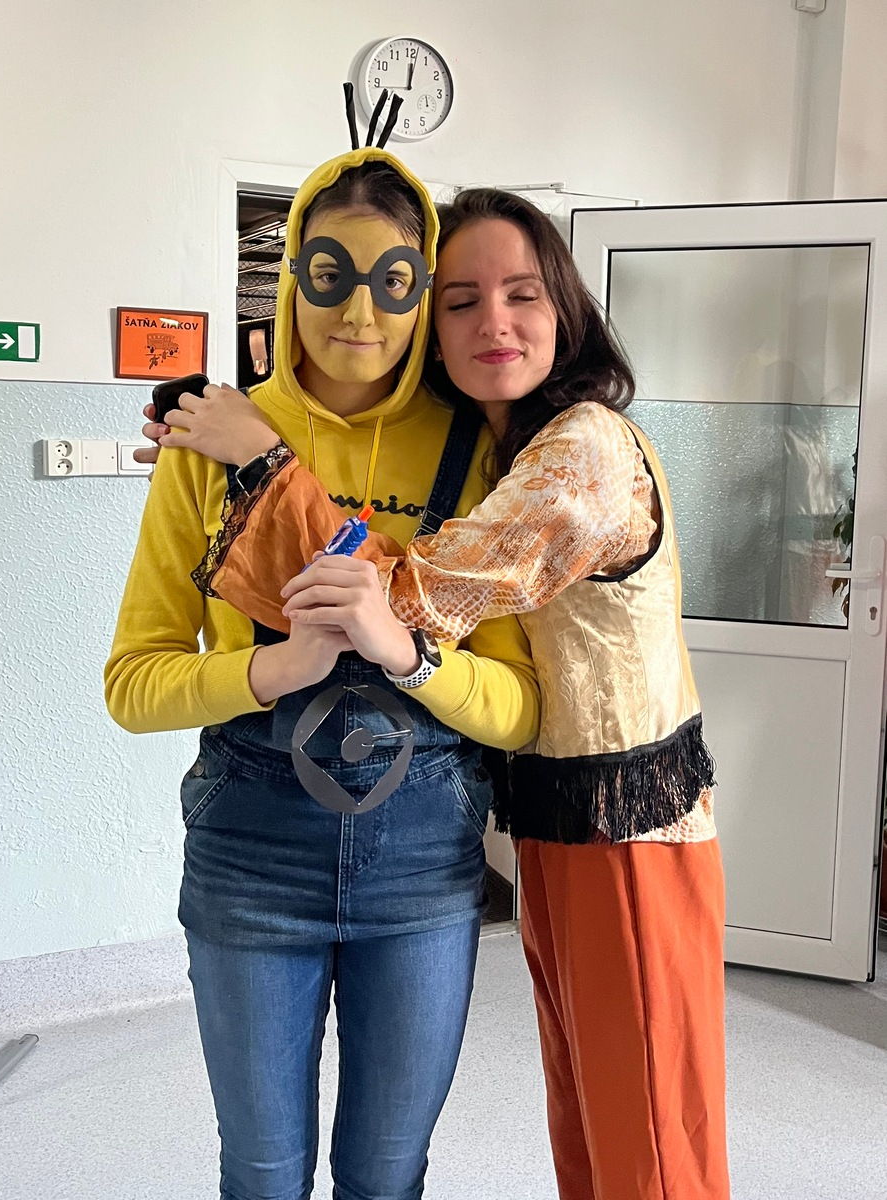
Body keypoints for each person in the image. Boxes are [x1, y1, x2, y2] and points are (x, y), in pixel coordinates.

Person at [143, 187, 731, 1200]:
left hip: (631, 830)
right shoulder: (505, 446)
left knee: (648, 1132)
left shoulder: (583, 450)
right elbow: (148, 665)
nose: (493, 321)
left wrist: (255, 463)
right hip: (548, 820)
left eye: (523, 293)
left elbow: (399, 595)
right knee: (590, 1117)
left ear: (567, 308)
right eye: (460, 300)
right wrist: (221, 456)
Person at [106, 143, 540, 1200]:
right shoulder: (210, 438)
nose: (358, 313)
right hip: (251, 852)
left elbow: (520, 709)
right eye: (330, 275)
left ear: (422, 290)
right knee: (262, 1174)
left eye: (394, 283)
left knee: (387, 1174)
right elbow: (133, 683)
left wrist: (409, 653)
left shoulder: (482, 453)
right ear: (293, 272)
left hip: (424, 863)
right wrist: (274, 667)